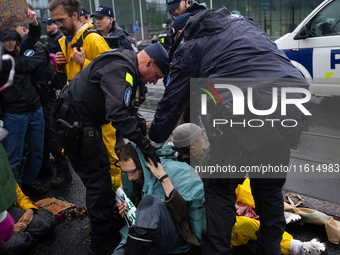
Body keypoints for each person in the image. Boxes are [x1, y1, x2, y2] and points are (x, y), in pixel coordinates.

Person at [148, 7, 310, 255]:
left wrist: (154, 142)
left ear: (180, 32)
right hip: (290, 100)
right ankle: (270, 250)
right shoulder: (244, 24)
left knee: (220, 188)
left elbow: (173, 101)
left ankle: (218, 250)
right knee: (268, 189)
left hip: (242, 107)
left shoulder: (190, 44)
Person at [51, 43, 168, 255]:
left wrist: (139, 123)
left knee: (101, 175)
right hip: (74, 125)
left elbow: (123, 105)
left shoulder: (126, 64)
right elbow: (117, 114)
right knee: (99, 182)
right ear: (149, 62)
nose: (155, 81)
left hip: (82, 123)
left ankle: (107, 224)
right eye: (157, 75)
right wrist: (144, 144)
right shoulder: (121, 69)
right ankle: (100, 241)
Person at [172, 123, 328, 255]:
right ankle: (298, 247)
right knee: (248, 225)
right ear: (191, 145)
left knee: (243, 184)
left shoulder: (203, 158)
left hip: (222, 204)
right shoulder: (182, 169)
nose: (204, 139)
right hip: (207, 216)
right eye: (201, 138)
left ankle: (269, 212)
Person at [113, 142, 205, 255]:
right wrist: (124, 211)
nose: (130, 177)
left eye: (132, 171)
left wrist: (164, 179)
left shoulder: (170, 169)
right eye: (125, 172)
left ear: (142, 164)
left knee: (150, 201)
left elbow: (182, 216)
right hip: (145, 240)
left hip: (172, 238)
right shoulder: (135, 179)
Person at [14, 24, 72, 188]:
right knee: (39, 138)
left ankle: (64, 172)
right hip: (35, 99)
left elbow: (25, 65)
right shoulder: (21, 49)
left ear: (25, 30)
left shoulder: (35, 48)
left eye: (15, 29)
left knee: (51, 136)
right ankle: (44, 168)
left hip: (45, 98)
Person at [0, 17, 47, 195]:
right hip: (14, 114)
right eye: (7, 39)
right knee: (13, 157)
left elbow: (35, 35)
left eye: (14, 38)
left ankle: (28, 183)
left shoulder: (21, 50)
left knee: (37, 152)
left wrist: (34, 21)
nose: (11, 42)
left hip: (35, 108)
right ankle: (11, 194)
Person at [0, 183, 55, 254]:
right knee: (14, 245)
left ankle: (24, 235)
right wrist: (8, 229)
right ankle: (28, 235)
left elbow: (19, 197)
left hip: (7, 211)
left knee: (47, 223)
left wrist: (29, 210)